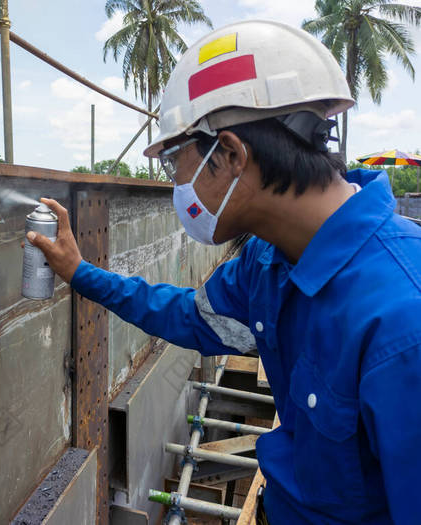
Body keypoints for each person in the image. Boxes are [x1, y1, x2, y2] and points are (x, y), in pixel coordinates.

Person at [26, 20, 421, 525]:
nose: (177, 185)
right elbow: (187, 316)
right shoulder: (268, 262)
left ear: (231, 154)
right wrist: (80, 273)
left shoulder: (402, 318)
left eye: (177, 165)